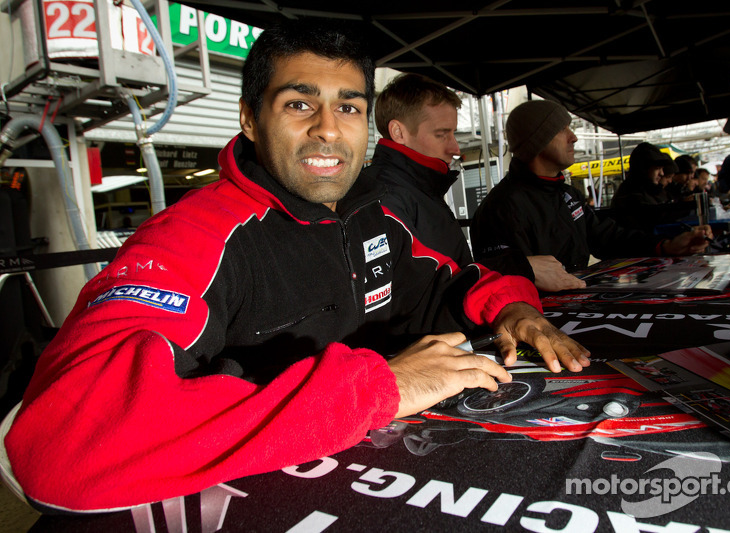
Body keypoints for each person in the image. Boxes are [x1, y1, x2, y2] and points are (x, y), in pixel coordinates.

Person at [4, 21, 590, 512]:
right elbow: (61, 443)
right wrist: (379, 389)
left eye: (348, 106)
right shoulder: (189, 240)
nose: (328, 128)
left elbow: (455, 283)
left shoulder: (372, 217)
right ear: (251, 120)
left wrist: (515, 309)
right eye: (299, 103)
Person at [470, 100, 712, 274]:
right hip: (545, 324)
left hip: (577, 302)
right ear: (538, 140)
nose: (573, 137)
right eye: (562, 129)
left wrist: (665, 246)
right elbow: (503, 278)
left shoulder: (565, 193)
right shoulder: (502, 207)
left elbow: (606, 237)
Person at [362, 72, 534, 279]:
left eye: (453, 133)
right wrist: (516, 268)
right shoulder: (385, 196)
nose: (455, 147)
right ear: (398, 132)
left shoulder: (418, 187)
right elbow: (421, 292)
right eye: (441, 135)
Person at [609, 142, 693, 232]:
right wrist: (684, 206)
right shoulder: (632, 196)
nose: (662, 173)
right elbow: (656, 218)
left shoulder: (648, 190)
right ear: (643, 169)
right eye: (657, 168)